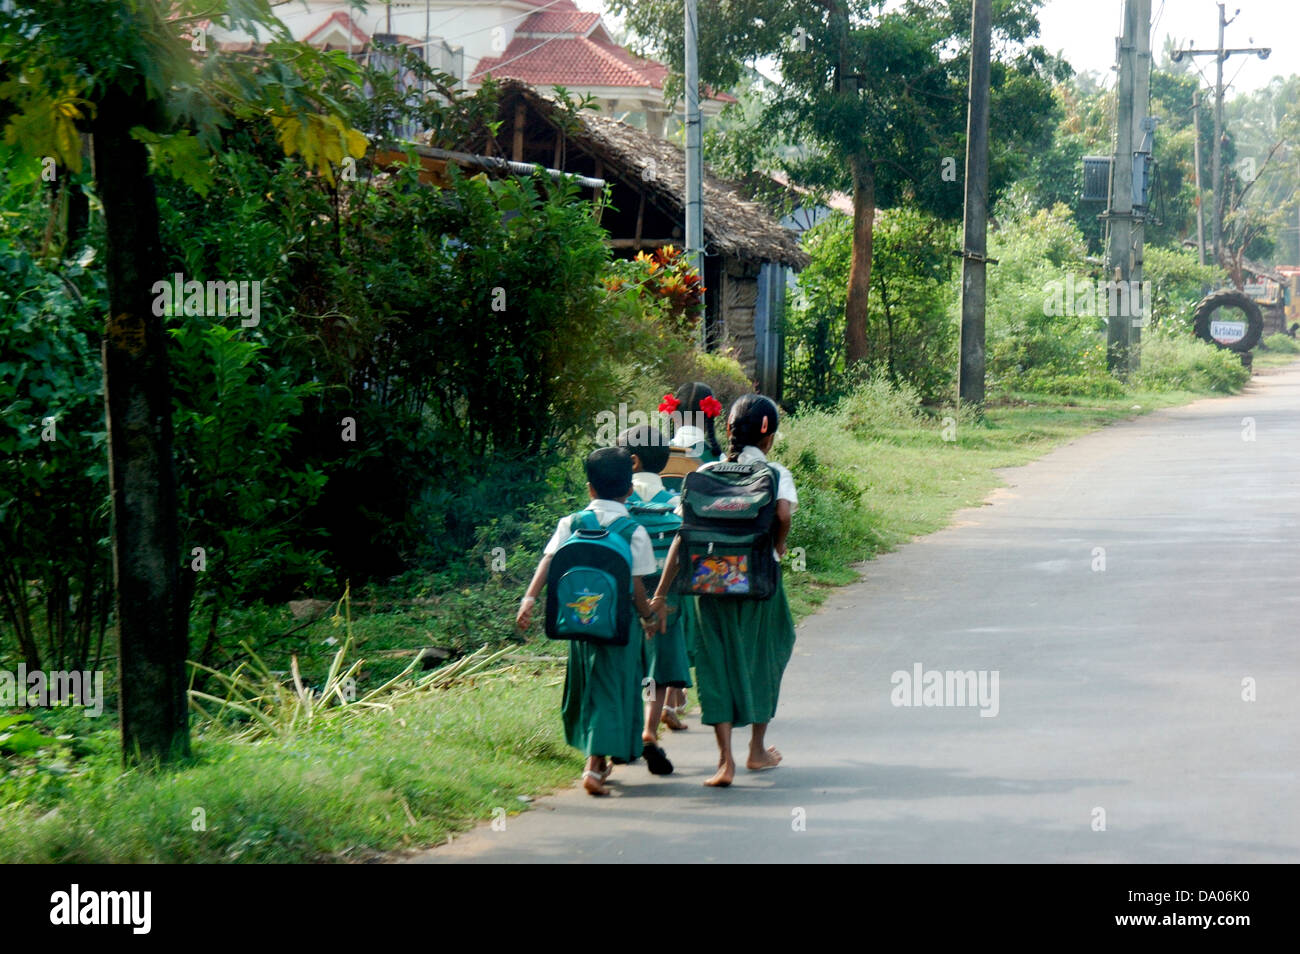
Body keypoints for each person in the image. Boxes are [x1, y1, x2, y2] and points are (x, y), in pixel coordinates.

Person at [650, 394, 798, 788]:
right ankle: (757, 749)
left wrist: (662, 592)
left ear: (729, 431)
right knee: (766, 653)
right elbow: (782, 513)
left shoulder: (707, 471)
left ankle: (724, 762)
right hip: (759, 582)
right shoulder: (776, 472)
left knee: (717, 663)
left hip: (709, 582)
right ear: (768, 438)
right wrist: (778, 545)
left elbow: (684, 537)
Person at [516, 447, 661, 796]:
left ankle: (599, 760)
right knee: (613, 689)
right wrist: (647, 617)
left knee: (589, 687)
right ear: (629, 490)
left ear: (589, 489)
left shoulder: (572, 523)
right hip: (619, 627)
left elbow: (549, 562)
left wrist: (529, 599)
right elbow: (637, 587)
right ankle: (594, 766)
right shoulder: (634, 531)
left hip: (580, 624)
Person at [618, 425, 692, 747]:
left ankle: (630, 727)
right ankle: (652, 724)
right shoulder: (676, 501)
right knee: (659, 659)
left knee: (632, 657)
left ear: (631, 462)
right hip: (667, 591)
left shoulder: (619, 500)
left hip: (628, 591)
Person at [662, 382, 724, 722]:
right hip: (698, 544)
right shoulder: (713, 455)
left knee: (668, 613)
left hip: (657, 544)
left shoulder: (659, 450)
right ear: (710, 415)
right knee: (690, 615)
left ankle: (669, 697)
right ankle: (676, 696)